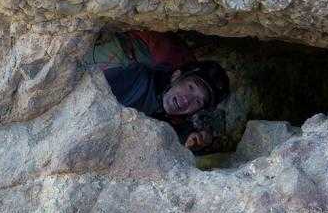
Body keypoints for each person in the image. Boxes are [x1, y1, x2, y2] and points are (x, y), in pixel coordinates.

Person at [94, 31, 230, 150]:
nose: (187, 99)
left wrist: (189, 137)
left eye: (198, 101)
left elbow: (168, 125)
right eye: (191, 87)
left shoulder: (167, 110)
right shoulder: (134, 79)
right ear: (175, 76)